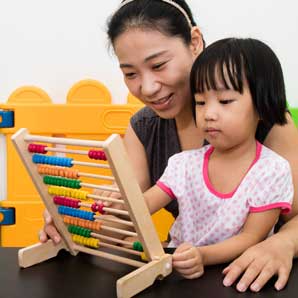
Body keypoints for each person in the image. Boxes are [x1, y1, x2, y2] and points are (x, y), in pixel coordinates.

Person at [39, 0, 298, 293]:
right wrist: (73, 221)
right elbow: (129, 215)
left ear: (195, 42)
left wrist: (283, 242)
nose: (147, 87)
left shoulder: (268, 121)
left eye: (159, 65)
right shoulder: (144, 129)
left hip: (247, 280)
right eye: (130, 73)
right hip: (186, 279)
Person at [141, 36, 293, 280]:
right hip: (177, 274)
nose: (209, 114)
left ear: (262, 106)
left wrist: (202, 256)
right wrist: (118, 206)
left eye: (224, 101)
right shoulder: (183, 164)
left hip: (235, 275)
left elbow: (251, 238)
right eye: (200, 102)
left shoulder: (272, 171)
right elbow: (144, 205)